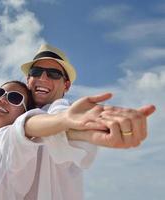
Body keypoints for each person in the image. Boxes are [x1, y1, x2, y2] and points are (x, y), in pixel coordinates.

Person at [18, 43, 156, 199]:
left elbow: (63, 121)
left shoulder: (60, 108)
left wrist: (83, 126)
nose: (43, 78)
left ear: (66, 85)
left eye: (54, 74)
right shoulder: (14, 120)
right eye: (36, 72)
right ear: (28, 79)